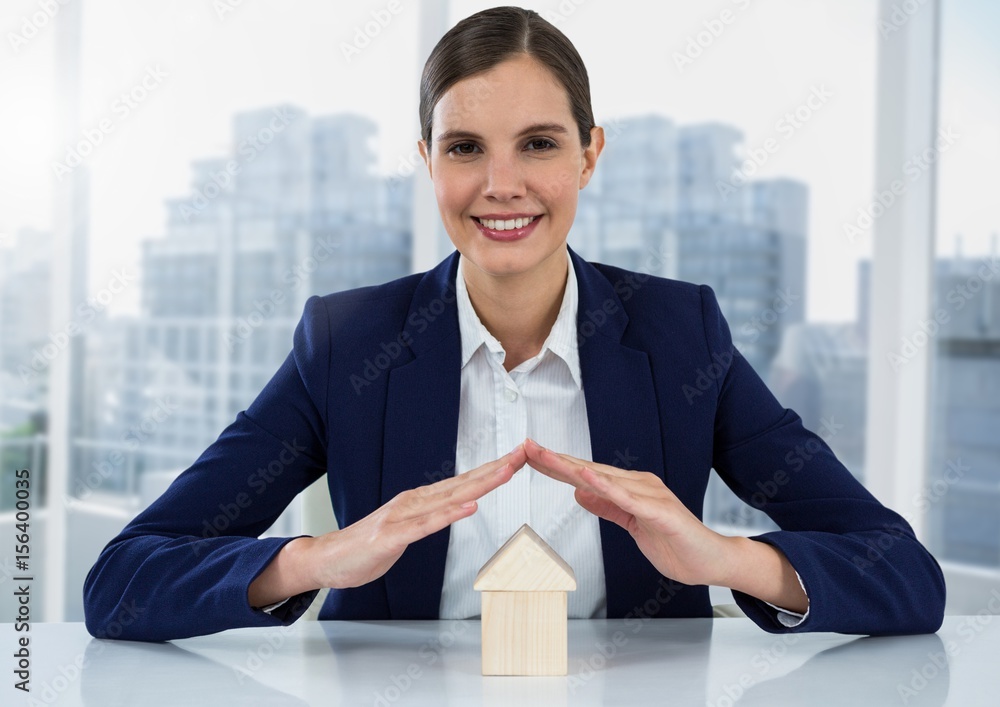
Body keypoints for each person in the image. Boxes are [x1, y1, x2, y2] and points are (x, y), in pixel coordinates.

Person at [83, 6, 945, 642]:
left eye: (538, 144)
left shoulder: (683, 333)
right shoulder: (346, 342)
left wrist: (725, 558)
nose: (501, 184)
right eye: (465, 148)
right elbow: (120, 582)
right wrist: (316, 559)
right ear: (427, 161)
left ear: (589, 155)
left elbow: (905, 574)